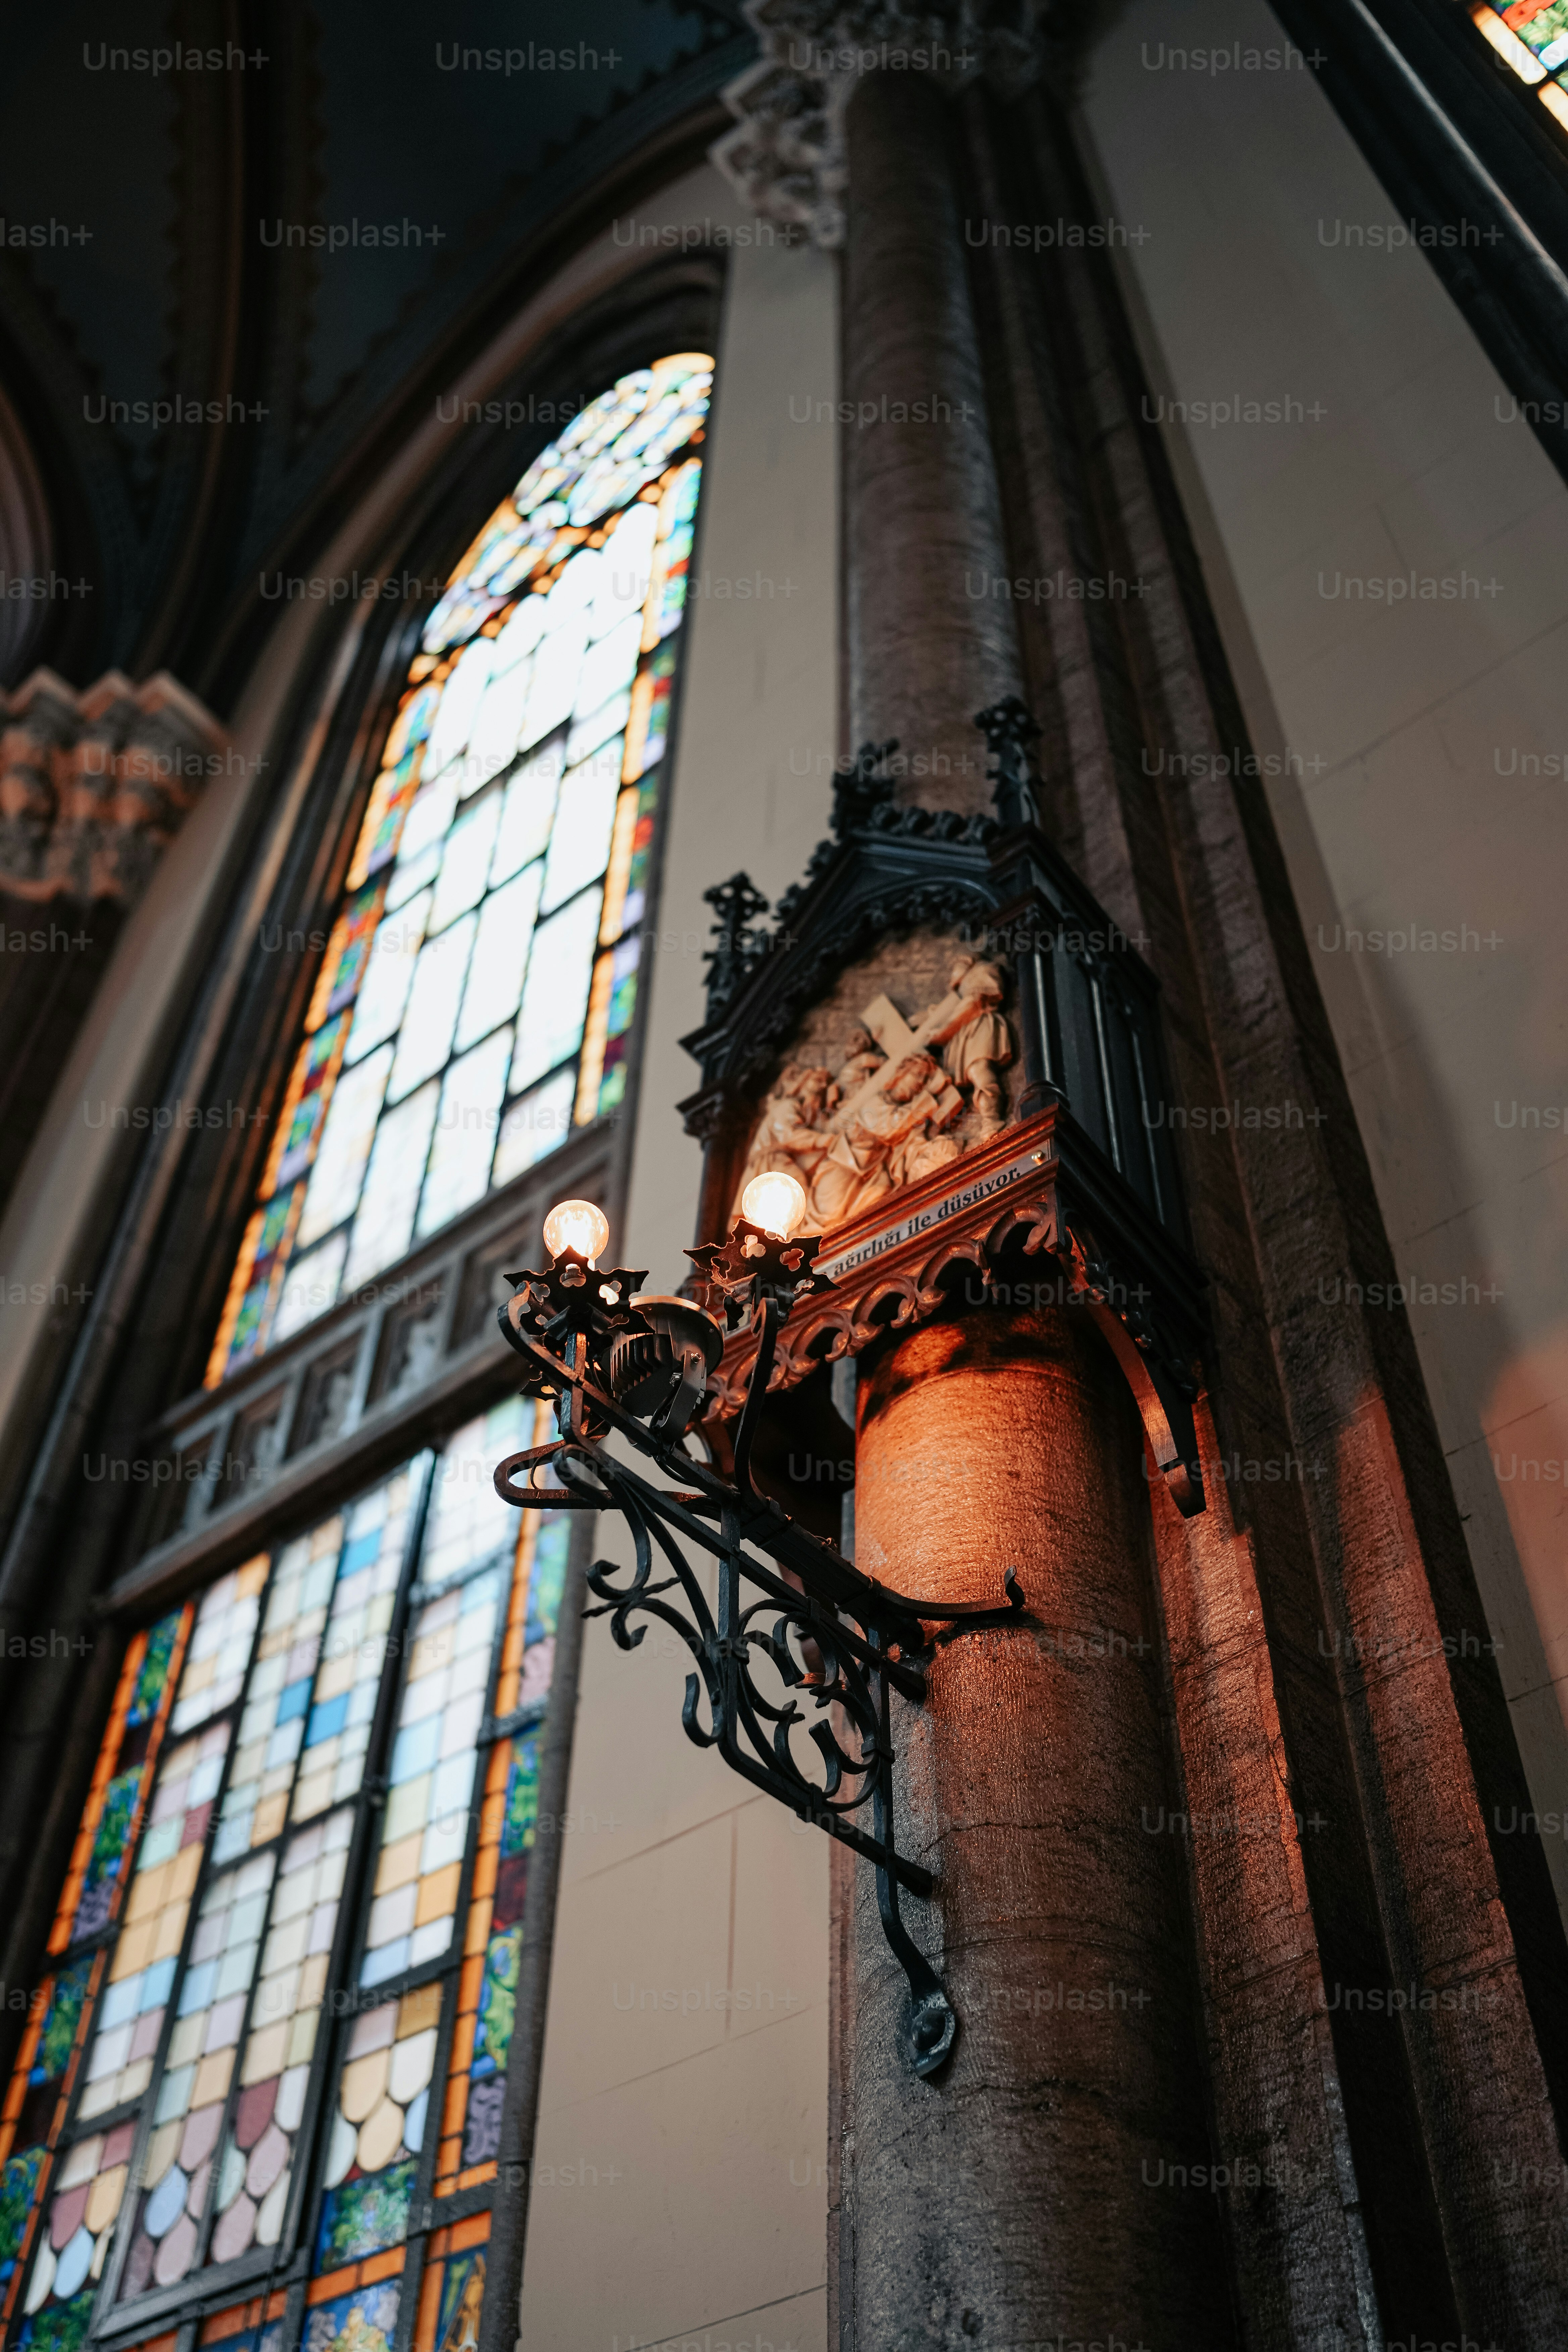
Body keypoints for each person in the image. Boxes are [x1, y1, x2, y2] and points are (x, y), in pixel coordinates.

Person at [916, 953, 1011, 1135]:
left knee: (979, 1070)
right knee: (975, 1072)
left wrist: (943, 1032)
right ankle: (988, 1121)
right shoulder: (959, 992)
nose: (953, 972)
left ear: (968, 962)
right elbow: (949, 1011)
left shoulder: (982, 971)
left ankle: (992, 1120)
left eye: (957, 964)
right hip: (965, 1034)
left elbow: (974, 1002)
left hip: (979, 1026)